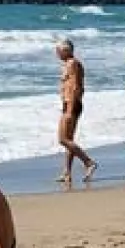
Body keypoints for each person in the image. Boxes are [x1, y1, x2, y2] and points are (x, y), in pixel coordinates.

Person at [55, 39, 97, 183]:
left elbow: (75, 86)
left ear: (66, 50)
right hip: (68, 103)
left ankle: (88, 162)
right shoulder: (68, 64)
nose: (57, 53)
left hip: (71, 104)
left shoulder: (73, 64)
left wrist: (71, 107)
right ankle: (67, 172)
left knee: (63, 139)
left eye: (58, 50)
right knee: (69, 139)